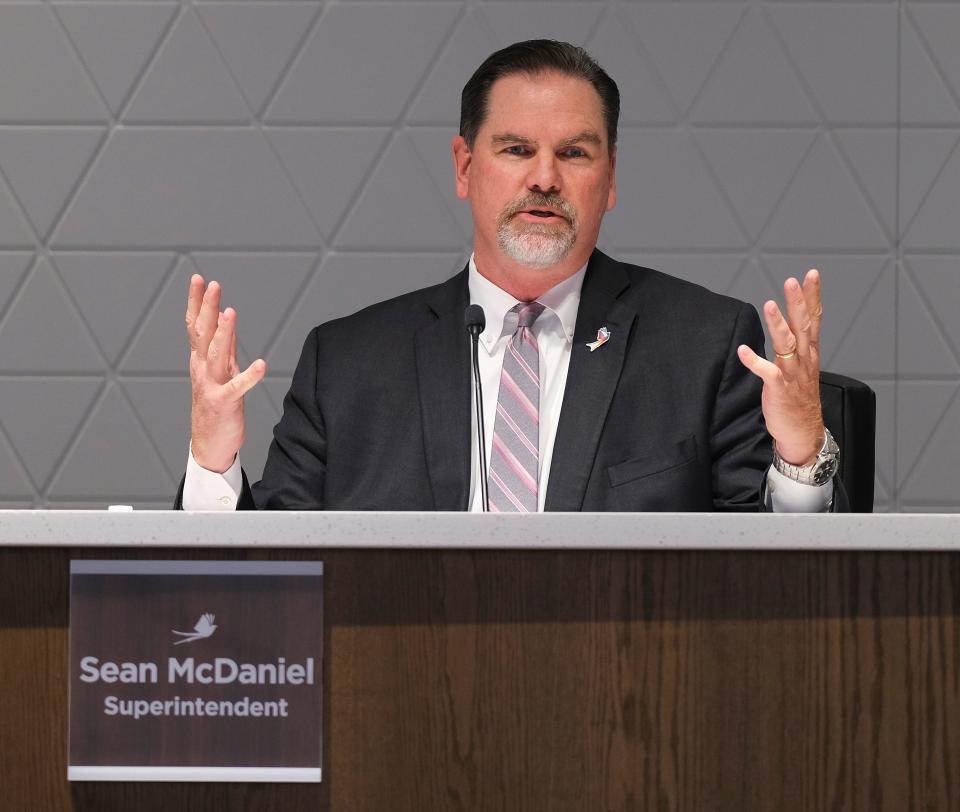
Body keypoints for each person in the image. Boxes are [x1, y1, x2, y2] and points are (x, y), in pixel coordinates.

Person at [177, 40, 839, 513]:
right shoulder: (348, 362)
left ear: (609, 180)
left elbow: (772, 579)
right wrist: (212, 460)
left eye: (574, 153)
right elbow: (263, 578)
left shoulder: (704, 345)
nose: (545, 177)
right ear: (465, 167)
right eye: (516, 150)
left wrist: (801, 455)